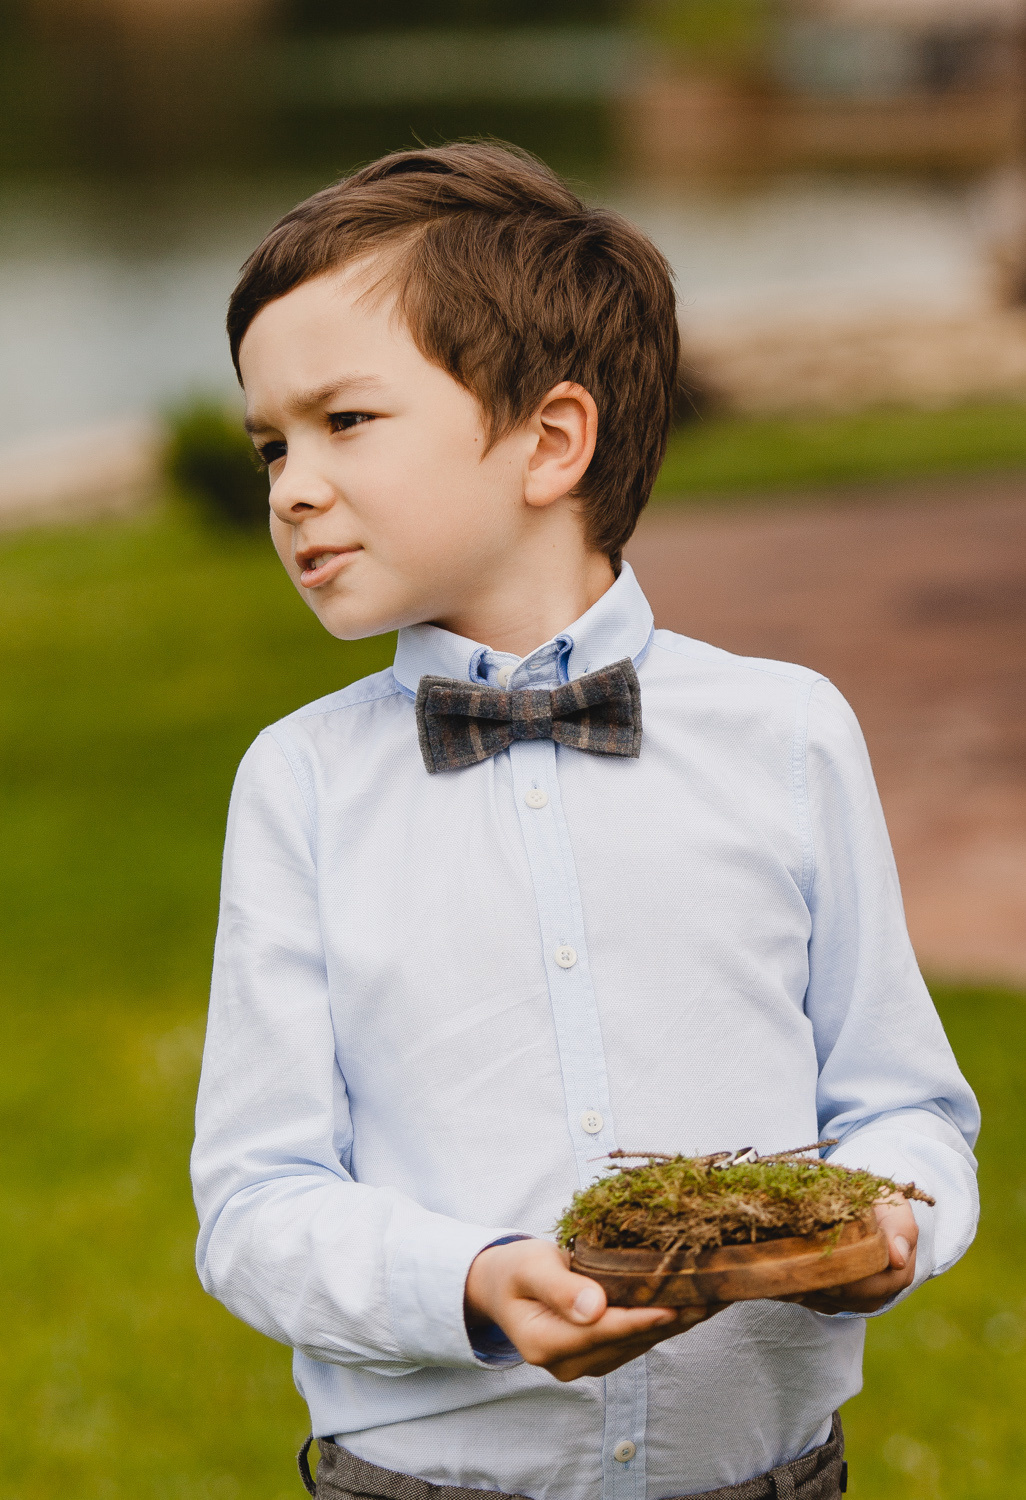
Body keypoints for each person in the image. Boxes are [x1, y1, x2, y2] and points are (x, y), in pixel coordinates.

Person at [191, 142, 979, 1500]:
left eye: (345, 423)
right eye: (271, 442)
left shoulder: (785, 732)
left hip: (764, 1473)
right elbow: (256, 1204)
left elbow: (900, 1104)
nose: (289, 487)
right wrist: (471, 1285)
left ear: (550, 439)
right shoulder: (299, 783)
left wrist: (888, 1230)